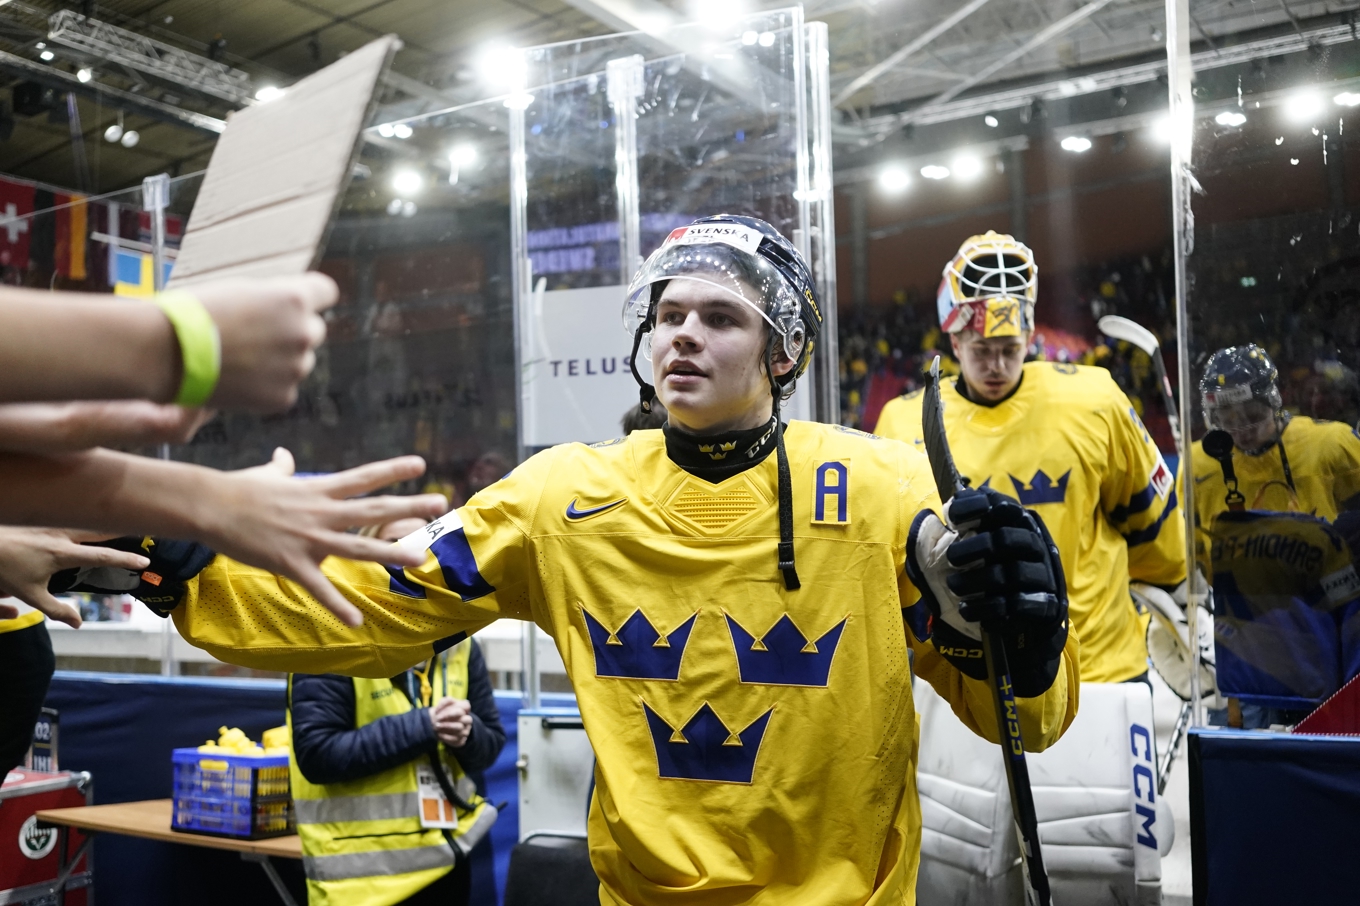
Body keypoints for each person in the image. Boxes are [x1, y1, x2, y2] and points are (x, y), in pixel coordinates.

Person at [85, 216, 1078, 906]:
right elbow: (366, 608)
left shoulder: (884, 488)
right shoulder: (562, 495)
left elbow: (1022, 718)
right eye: (670, 314)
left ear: (784, 355)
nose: (684, 332)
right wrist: (188, 568)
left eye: (720, 318)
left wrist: (1023, 643)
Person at [875, 231, 1186, 684]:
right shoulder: (903, 422)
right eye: (982, 351)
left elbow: (1152, 524)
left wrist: (1178, 590)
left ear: (1028, 334)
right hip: (966, 678)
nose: (997, 366)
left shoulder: (1095, 399)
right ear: (955, 341)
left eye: (1010, 349)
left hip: (1099, 671)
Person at [1192, 344, 1360, 726]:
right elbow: (1195, 559)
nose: (1240, 430)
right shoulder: (1199, 465)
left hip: (1329, 638)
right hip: (1250, 649)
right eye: (1225, 418)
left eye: (1251, 415)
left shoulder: (1330, 446)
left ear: (1273, 402)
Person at [289, 635, 505, 906]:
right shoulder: (328, 641)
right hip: (363, 881)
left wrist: (467, 732)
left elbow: (492, 744)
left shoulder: (463, 642)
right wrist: (424, 726)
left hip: (447, 862)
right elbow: (318, 755)